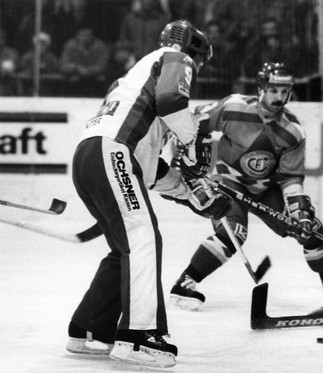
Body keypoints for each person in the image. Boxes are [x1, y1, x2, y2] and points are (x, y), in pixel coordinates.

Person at [65, 20, 220, 368]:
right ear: (195, 50)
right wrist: (192, 144)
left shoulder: (133, 78)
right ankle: (138, 337)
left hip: (90, 154)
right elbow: (172, 100)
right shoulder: (176, 57)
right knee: (142, 238)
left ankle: (91, 328)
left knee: (125, 249)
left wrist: (191, 194)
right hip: (112, 152)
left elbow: (147, 172)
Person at [166, 62, 323, 311]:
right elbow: (191, 125)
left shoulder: (292, 131)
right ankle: (185, 283)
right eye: (273, 90)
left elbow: (290, 177)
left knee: (312, 230)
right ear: (261, 88)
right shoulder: (233, 107)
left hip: (267, 190)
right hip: (230, 183)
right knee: (233, 233)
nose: (279, 97)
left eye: (284, 91)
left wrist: (299, 212)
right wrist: (187, 161)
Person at [60, 27, 110, 97]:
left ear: (92, 37)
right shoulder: (70, 46)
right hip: (75, 77)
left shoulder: (100, 47)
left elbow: (103, 66)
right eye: (82, 36)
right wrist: (77, 68)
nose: (85, 39)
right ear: (77, 36)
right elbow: (64, 66)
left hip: (95, 78)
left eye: (87, 36)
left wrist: (88, 71)